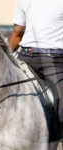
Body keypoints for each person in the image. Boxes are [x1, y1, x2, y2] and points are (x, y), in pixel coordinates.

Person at [8, 0, 63, 135]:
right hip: (26, 57)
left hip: (55, 61)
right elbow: (17, 34)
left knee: (62, 110)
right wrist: (4, 58)